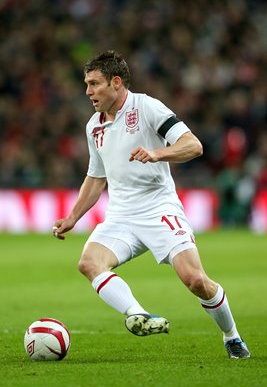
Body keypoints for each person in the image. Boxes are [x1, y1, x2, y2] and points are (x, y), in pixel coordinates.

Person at [52, 50, 250, 359]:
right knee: (89, 263)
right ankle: (137, 314)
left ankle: (231, 335)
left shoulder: (147, 107)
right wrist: (73, 216)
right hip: (120, 215)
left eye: (94, 84)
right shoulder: (94, 126)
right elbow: (95, 177)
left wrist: (158, 153)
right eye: (86, 84)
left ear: (116, 82)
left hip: (159, 210)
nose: (88, 91)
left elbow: (193, 145)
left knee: (196, 280)